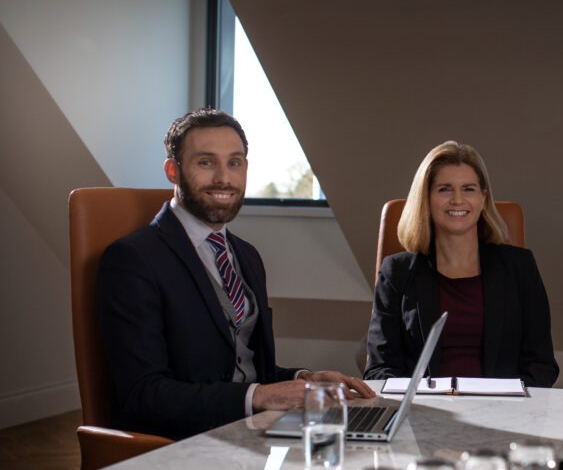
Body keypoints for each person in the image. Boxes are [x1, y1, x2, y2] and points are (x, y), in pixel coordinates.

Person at [97, 108, 374, 440]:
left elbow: (245, 369)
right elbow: (143, 395)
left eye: (235, 162)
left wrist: (305, 378)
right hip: (187, 444)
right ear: (173, 170)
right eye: (205, 162)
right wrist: (261, 397)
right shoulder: (133, 259)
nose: (223, 178)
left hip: (252, 431)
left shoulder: (246, 255)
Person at [365, 141, 559, 387]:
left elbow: (541, 365)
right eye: (445, 189)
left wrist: (509, 405)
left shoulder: (520, 266)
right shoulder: (397, 272)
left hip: (503, 414)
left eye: (468, 189)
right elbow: (379, 369)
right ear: (426, 198)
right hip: (422, 414)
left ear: (482, 198)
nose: (457, 200)